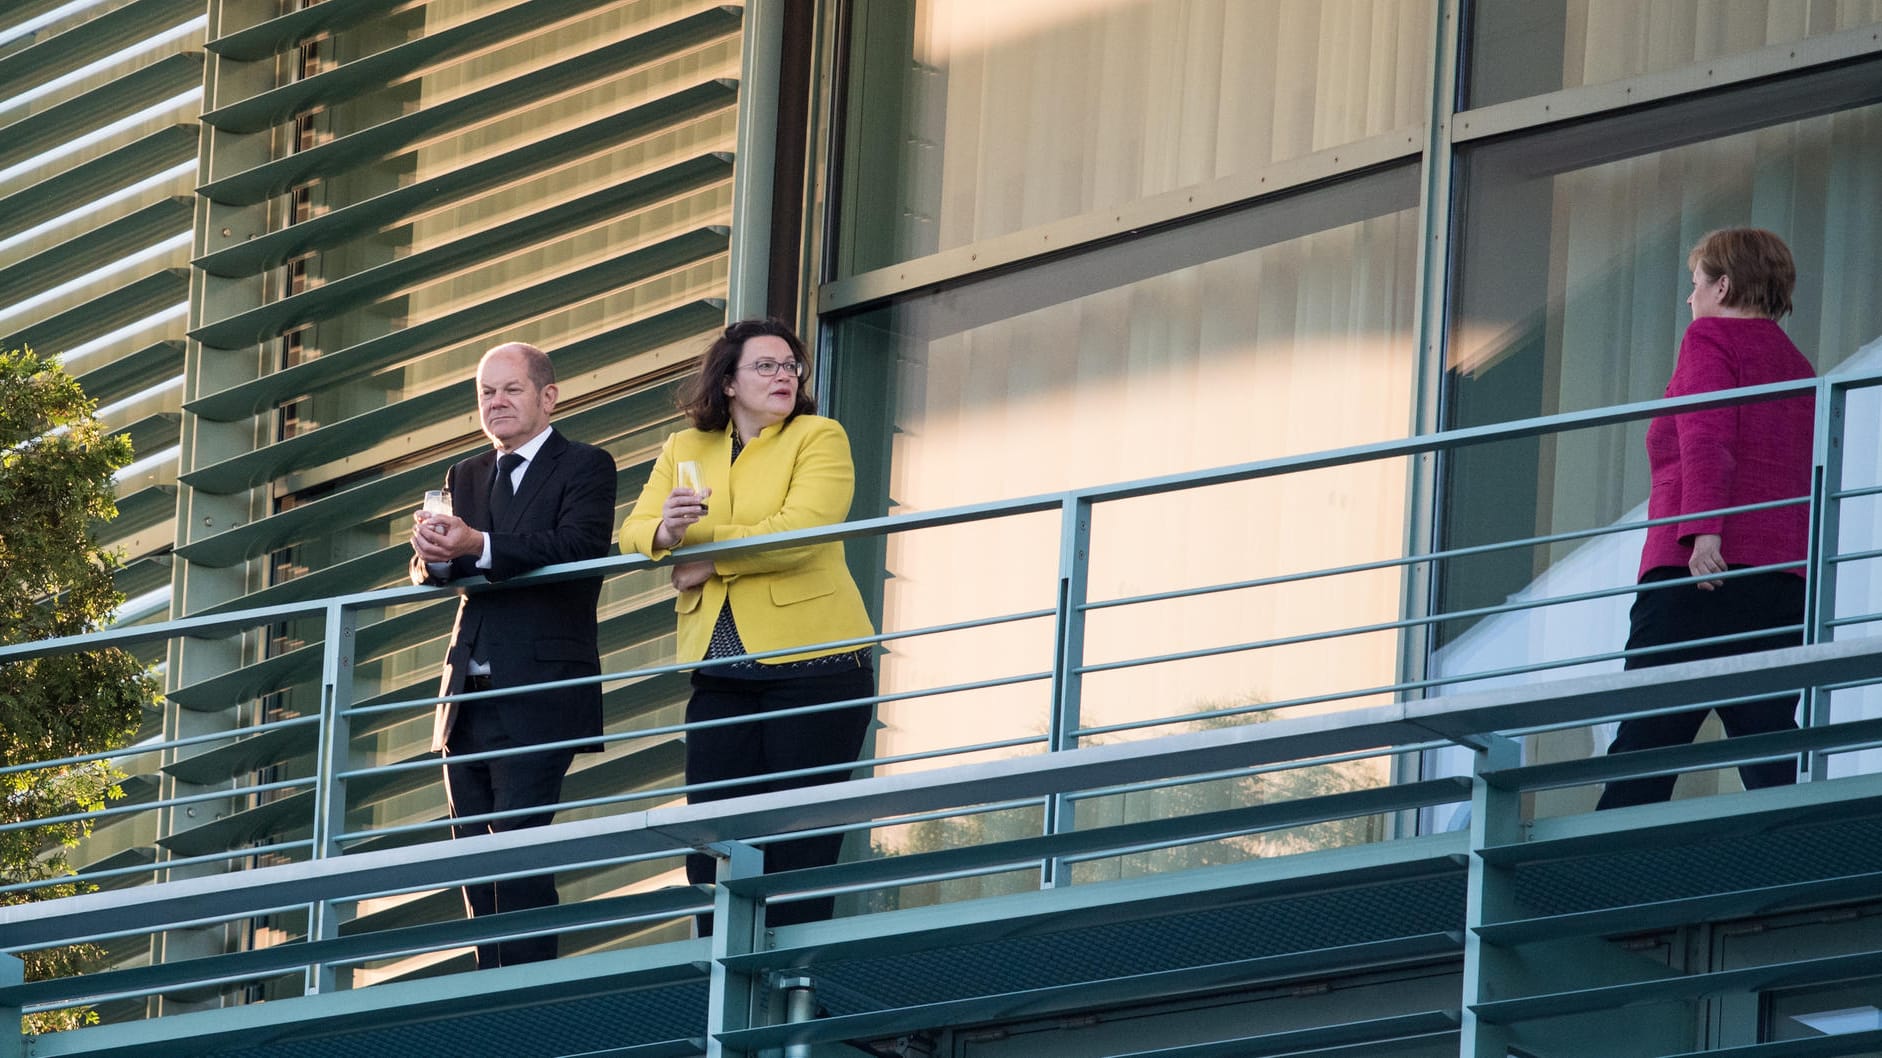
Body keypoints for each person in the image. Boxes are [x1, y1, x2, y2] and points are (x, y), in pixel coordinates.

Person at [619, 318, 875, 931]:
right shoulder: (686, 448)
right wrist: (666, 534)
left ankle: (794, 997)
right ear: (728, 382)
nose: (784, 375)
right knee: (713, 845)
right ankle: (723, 995)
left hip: (817, 670)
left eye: (791, 366)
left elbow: (797, 536)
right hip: (721, 670)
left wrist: (701, 556)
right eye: (767, 366)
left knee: (798, 852)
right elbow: (633, 534)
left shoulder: (819, 436)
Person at [410, 341, 618, 966]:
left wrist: (480, 544)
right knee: (472, 858)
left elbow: (579, 548)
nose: (495, 403)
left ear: (548, 397)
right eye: (486, 393)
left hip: (539, 692)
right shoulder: (465, 475)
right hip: (466, 696)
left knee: (518, 850)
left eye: (511, 390)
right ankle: (491, 999)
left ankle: (528, 999)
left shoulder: (587, 465)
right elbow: (429, 571)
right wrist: (435, 556)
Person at [1596, 228, 1816, 809]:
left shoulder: (1710, 338)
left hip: (1694, 568)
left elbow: (1706, 433)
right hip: (1777, 575)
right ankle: (1800, 861)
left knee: (1648, 739)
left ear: (1723, 285)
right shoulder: (1797, 364)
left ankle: (1592, 881)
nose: (1689, 299)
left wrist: (1703, 530)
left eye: (1695, 284)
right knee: (1766, 737)